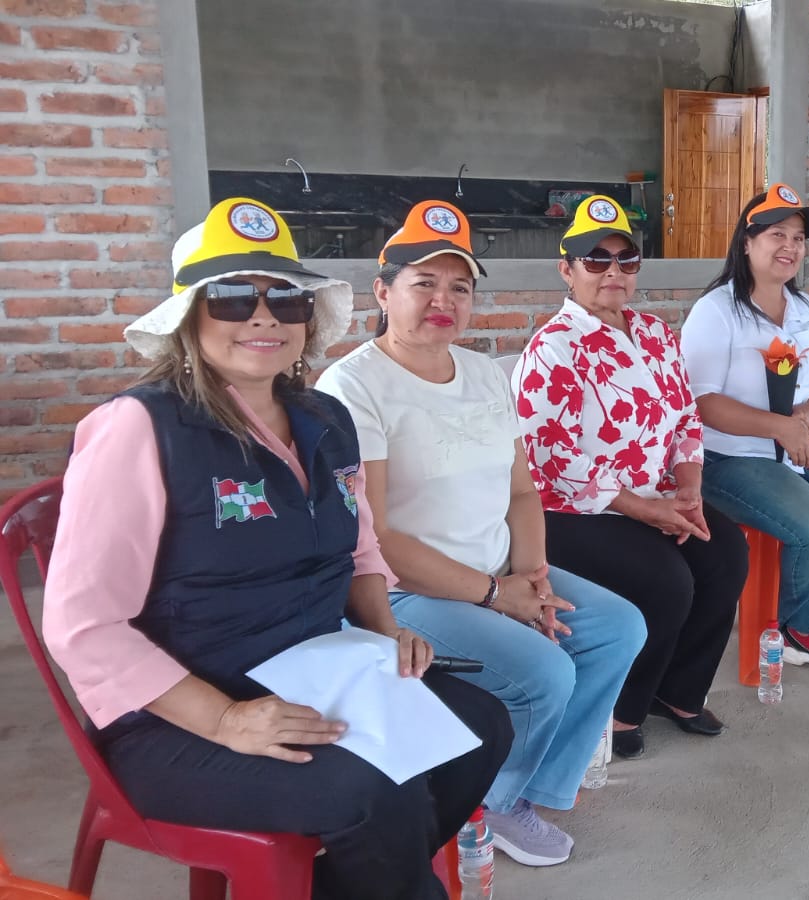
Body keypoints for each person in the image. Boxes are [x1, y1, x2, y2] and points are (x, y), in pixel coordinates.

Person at [42, 198, 511, 900]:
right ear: (189, 316)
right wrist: (225, 719)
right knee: (374, 790)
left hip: (313, 673)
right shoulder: (139, 428)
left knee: (480, 725)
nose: (264, 317)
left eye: (286, 299)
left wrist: (387, 633)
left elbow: (359, 550)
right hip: (175, 716)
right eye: (233, 297)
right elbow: (83, 625)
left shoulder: (325, 418)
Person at [315, 201, 646, 868]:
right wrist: (496, 596)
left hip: (499, 571)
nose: (444, 301)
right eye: (424, 284)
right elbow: (374, 537)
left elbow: (522, 492)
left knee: (618, 627)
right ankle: (491, 800)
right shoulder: (354, 386)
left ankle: (535, 783)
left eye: (460, 288)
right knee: (545, 671)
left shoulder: (485, 373)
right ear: (383, 292)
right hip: (406, 592)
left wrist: (534, 580)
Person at [517, 196, 746, 760]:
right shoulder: (554, 347)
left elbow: (685, 416)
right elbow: (549, 458)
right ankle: (623, 706)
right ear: (567, 269)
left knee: (725, 551)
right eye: (596, 259)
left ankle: (679, 690)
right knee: (667, 580)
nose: (613, 271)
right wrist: (644, 509)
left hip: (654, 494)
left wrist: (688, 488)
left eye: (626, 259)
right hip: (572, 510)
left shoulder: (655, 333)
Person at [679, 183, 809, 678]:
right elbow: (700, 402)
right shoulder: (716, 310)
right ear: (747, 242)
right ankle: (787, 625)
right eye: (777, 235)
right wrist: (777, 426)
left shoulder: (804, 307)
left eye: (798, 238)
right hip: (730, 458)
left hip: (800, 445)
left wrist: (803, 420)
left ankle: (807, 627)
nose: (790, 247)